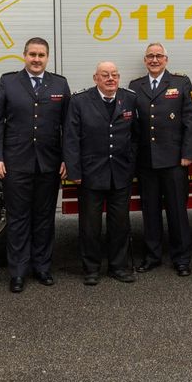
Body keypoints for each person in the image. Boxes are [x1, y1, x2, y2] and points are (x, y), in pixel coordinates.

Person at [0, 38, 71, 293]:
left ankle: (43, 268)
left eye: (41, 55)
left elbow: (68, 125)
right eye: (32, 54)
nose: (36, 59)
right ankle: (18, 272)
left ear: (48, 57)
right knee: (18, 218)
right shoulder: (8, 81)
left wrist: (68, 158)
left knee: (45, 218)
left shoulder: (59, 83)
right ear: (24, 56)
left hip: (49, 163)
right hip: (15, 163)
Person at [64, 61, 138, 286]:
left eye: (114, 75)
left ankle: (118, 266)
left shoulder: (129, 99)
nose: (110, 79)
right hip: (90, 174)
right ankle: (91, 269)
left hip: (120, 174)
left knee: (120, 223)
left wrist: (131, 165)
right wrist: (74, 171)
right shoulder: (79, 101)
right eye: (105, 75)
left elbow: (135, 136)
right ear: (95, 78)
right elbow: (71, 138)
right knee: (90, 225)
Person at [128, 43, 192, 277]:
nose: (154, 60)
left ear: (166, 59)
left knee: (177, 211)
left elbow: (191, 121)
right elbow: (133, 126)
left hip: (175, 161)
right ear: (145, 60)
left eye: (159, 56)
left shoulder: (180, 83)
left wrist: (188, 154)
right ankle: (152, 256)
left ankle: (182, 258)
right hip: (146, 161)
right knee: (150, 211)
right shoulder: (135, 86)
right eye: (150, 56)